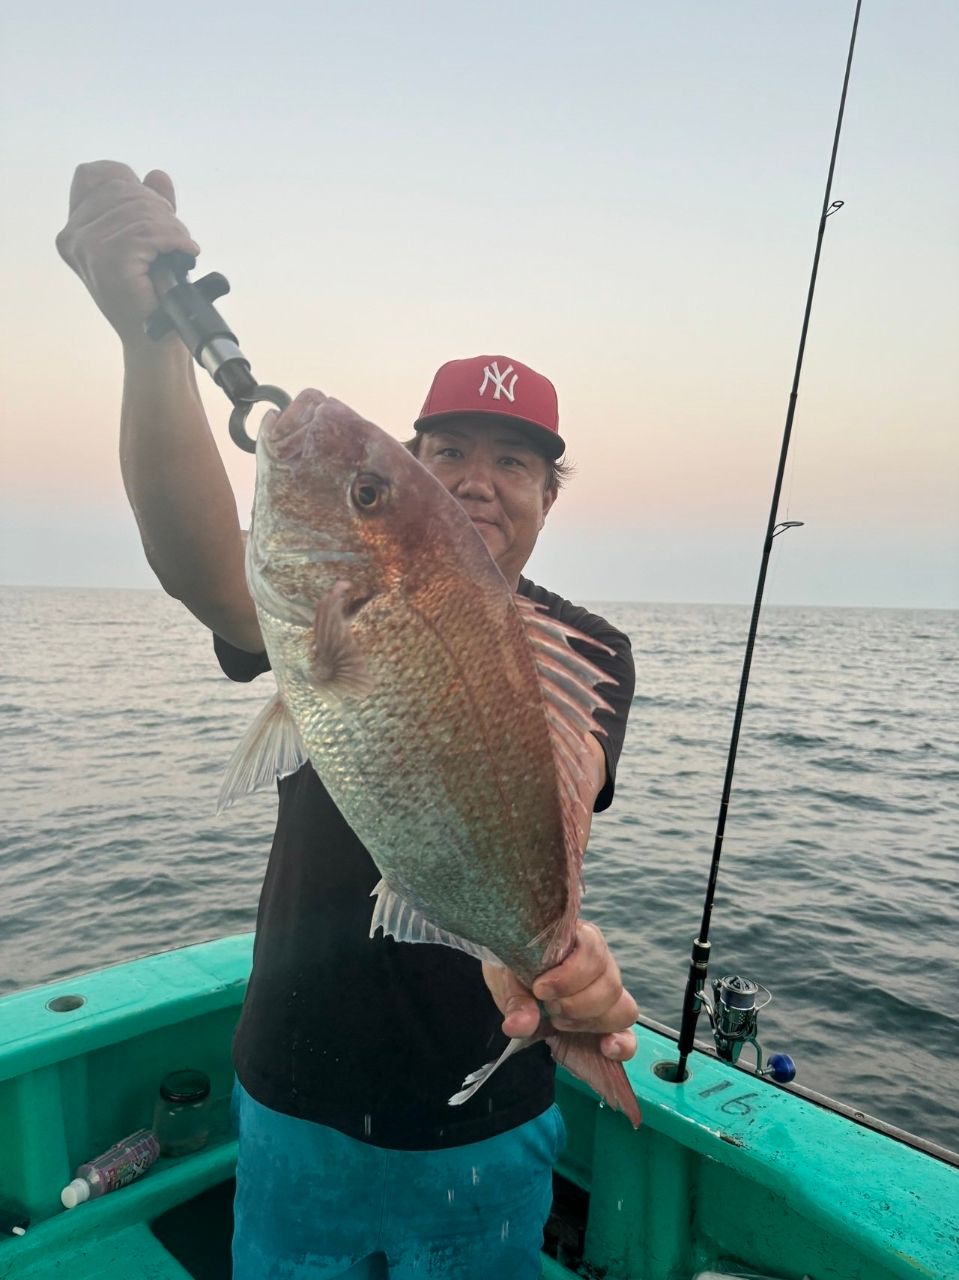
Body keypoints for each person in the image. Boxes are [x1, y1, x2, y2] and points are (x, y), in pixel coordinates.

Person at [57, 161, 639, 1280]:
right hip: (297, 1101)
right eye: (446, 454)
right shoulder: (322, 606)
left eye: (513, 460)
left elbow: (535, 829)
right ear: (416, 473)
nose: (478, 479)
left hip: (488, 1118)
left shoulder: (589, 651)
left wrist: (563, 961)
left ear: (548, 494)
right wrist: (149, 341)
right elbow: (200, 568)